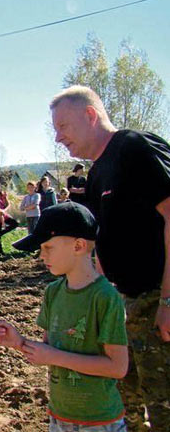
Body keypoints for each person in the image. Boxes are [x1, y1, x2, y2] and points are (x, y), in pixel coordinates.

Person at [50, 85, 170, 430]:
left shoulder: (135, 148)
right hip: (122, 307)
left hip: (154, 302)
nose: (59, 138)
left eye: (63, 126)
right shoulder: (97, 172)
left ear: (90, 115)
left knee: (163, 404)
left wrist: (167, 300)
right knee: (125, 406)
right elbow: (102, 243)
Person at [0, 202, 129, 431]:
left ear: (78, 245)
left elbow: (117, 367)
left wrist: (56, 357)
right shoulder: (53, 292)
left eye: (48, 247)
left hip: (99, 421)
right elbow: (49, 349)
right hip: (59, 416)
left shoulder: (106, 297)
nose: (41, 256)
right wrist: (19, 343)